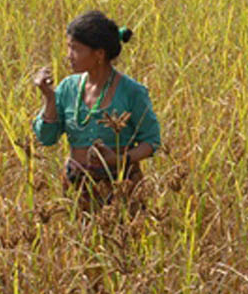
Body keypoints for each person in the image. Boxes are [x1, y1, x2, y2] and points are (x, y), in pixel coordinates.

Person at [33, 11, 161, 198]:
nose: (69, 56)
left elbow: (151, 141)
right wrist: (49, 99)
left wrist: (119, 160)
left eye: (75, 49)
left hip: (121, 185)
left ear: (99, 54)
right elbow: (46, 138)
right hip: (77, 185)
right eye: (68, 47)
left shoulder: (132, 92)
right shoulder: (68, 88)